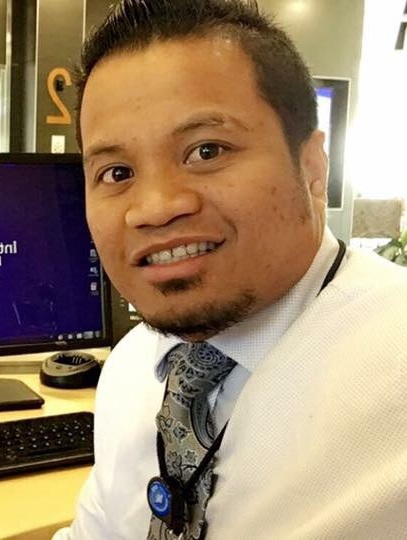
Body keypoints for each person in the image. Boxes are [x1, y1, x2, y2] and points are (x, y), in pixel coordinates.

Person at [54, 0, 407, 538]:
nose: (155, 208)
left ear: (313, 168)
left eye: (207, 150)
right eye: (117, 172)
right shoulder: (132, 369)